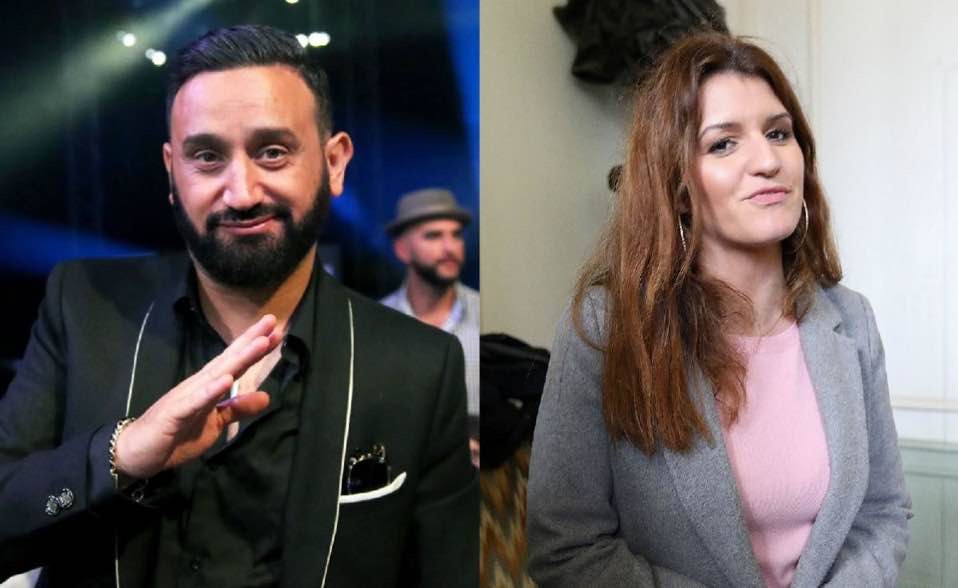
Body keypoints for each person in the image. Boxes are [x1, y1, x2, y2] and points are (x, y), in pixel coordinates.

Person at [0, 25, 477, 587]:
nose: (242, 192)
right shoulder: (84, 307)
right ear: (172, 172)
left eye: (272, 152)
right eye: (207, 156)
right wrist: (121, 454)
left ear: (335, 163)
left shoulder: (420, 365)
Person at [527, 32, 910, 588]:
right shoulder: (604, 327)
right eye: (723, 144)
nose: (768, 161)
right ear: (678, 188)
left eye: (778, 133)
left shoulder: (853, 321)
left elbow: (883, 513)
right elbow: (566, 549)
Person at [381, 188, 479, 466]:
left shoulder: (485, 314)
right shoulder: (378, 324)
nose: (450, 248)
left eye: (456, 235)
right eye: (433, 236)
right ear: (402, 249)